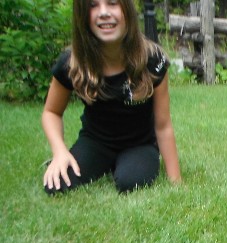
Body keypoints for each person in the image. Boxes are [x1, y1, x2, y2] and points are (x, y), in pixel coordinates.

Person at [42, 0, 181, 194]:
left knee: (130, 181)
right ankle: (97, 162)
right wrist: (59, 152)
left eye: (113, 3)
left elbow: (163, 125)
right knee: (56, 185)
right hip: (95, 142)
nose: (104, 12)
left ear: (128, 10)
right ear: (82, 15)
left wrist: (176, 181)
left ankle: (124, 164)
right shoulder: (73, 63)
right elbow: (51, 112)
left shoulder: (153, 60)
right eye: (93, 5)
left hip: (139, 144)